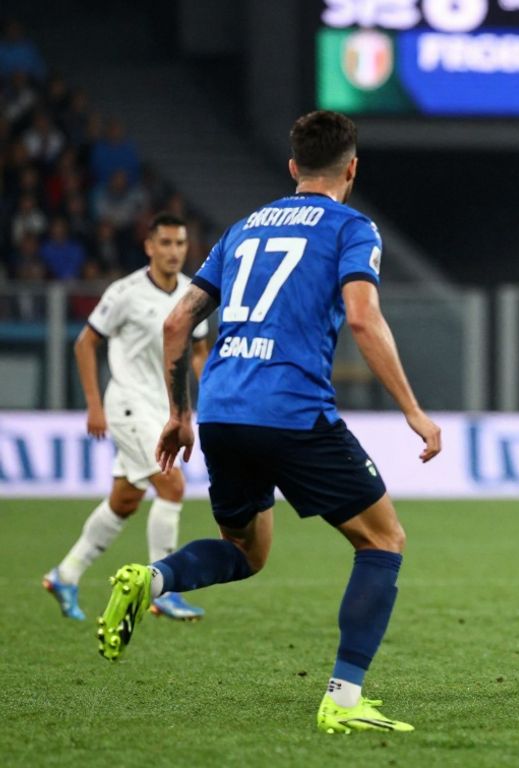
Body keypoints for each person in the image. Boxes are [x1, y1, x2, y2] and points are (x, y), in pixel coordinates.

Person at [94, 111, 442, 735]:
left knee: (244, 550)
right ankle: (343, 698)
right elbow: (362, 318)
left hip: (223, 408)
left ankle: (153, 579)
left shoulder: (243, 228)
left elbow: (177, 322)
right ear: (352, 169)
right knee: (383, 541)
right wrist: (413, 410)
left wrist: (180, 414)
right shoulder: (351, 227)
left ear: (292, 167)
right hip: (292, 410)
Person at [43, 213, 210, 622]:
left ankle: (65, 574)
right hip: (127, 404)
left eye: (180, 243)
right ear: (149, 246)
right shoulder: (125, 292)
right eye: (165, 243)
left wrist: (213, 394)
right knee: (172, 484)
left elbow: (199, 352)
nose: (174, 251)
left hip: (164, 408)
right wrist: (94, 405)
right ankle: (163, 589)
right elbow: (85, 343)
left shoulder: (194, 293)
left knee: (125, 500)